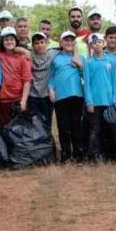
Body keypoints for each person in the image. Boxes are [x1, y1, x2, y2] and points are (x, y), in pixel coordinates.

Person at [81, 33, 116, 161]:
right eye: (94, 43)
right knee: (95, 129)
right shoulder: (88, 62)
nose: (97, 45)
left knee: (107, 128)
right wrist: (89, 102)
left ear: (104, 43)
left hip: (108, 101)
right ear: (91, 46)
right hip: (95, 102)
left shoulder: (111, 61)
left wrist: (114, 99)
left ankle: (107, 154)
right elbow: (87, 84)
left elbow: (114, 82)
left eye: (99, 42)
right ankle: (94, 155)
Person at [50, 31, 85, 162]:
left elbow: (86, 76)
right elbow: (52, 76)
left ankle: (78, 154)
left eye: (71, 40)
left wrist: (80, 65)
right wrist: (50, 89)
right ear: (61, 43)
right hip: (61, 97)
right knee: (63, 127)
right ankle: (66, 154)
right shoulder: (56, 59)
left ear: (75, 43)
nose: (69, 42)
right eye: (66, 40)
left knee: (77, 126)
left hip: (77, 95)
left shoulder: (81, 58)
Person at [0, 27, 31, 126]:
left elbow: (27, 81)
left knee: (19, 130)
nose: (9, 42)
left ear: (16, 41)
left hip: (18, 99)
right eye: (6, 39)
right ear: (2, 41)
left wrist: (24, 100)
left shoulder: (22, 58)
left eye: (12, 39)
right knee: (4, 127)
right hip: (3, 99)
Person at [28, 32, 60, 124]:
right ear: (33, 45)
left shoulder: (53, 53)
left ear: (46, 43)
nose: (40, 45)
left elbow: (68, 47)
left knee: (47, 122)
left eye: (42, 42)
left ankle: (48, 138)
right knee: (35, 123)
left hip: (47, 95)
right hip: (33, 95)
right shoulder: (29, 55)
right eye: (36, 43)